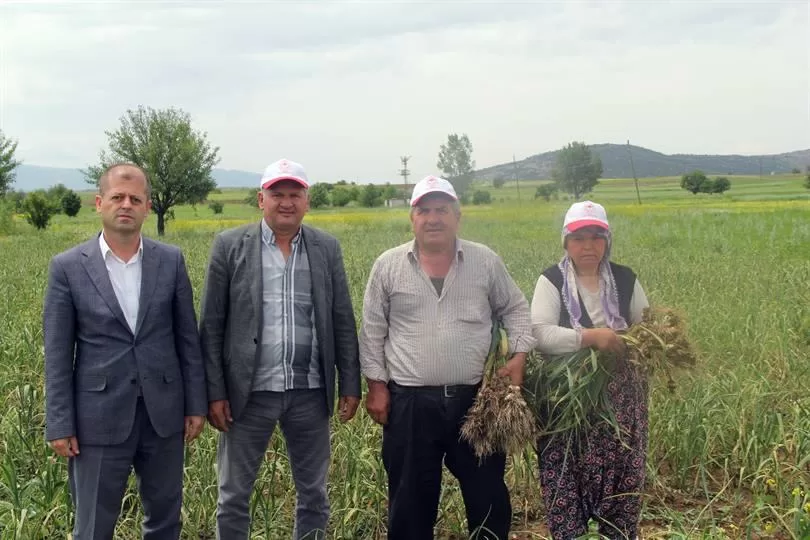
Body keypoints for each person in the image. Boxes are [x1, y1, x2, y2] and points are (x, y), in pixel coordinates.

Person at [359, 175, 535, 540]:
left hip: (475, 403)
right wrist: (376, 385)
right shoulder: (388, 266)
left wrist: (518, 356)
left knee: (487, 495)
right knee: (409, 502)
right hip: (409, 404)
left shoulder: (484, 261)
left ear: (458, 216)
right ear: (413, 218)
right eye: (424, 210)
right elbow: (372, 330)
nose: (433, 218)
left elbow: (516, 309)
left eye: (442, 210)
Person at [43, 163, 208, 540]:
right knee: (93, 526)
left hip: (163, 416)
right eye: (118, 197)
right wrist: (60, 423)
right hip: (97, 419)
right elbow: (56, 353)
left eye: (135, 198)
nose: (126, 205)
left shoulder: (170, 260)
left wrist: (195, 404)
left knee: (165, 521)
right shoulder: (68, 267)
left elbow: (187, 339)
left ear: (148, 207)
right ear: (99, 203)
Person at [199, 158, 361, 539]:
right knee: (233, 495)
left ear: (307, 201)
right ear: (261, 200)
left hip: (308, 390)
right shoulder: (229, 246)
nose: (285, 202)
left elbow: (342, 318)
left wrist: (350, 382)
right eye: (277, 194)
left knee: (314, 495)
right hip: (248, 394)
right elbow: (211, 326)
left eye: (294, 194)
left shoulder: (326, 248)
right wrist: (215, 391)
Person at [530, 200, 650, 540]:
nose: (588, 246)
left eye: (596, 237)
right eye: (579, 238)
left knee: (622, 480)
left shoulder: (626, 279)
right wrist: (591, 337)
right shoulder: (551, 280)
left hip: (622, 403)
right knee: (566, 474)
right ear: (566, 242)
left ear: (607, 241)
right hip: (568, 401)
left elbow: (647, 328)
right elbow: (539, 333)